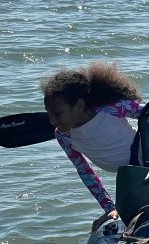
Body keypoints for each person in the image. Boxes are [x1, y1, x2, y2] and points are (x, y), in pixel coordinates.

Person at [41, 62, 142, 229]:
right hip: (131, 176)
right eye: (49, 113)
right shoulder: (64, 136)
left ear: (79, 105)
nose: (52, 121)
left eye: (57, 113)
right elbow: (86, 173)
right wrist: (109, 208)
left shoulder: (111, 109)